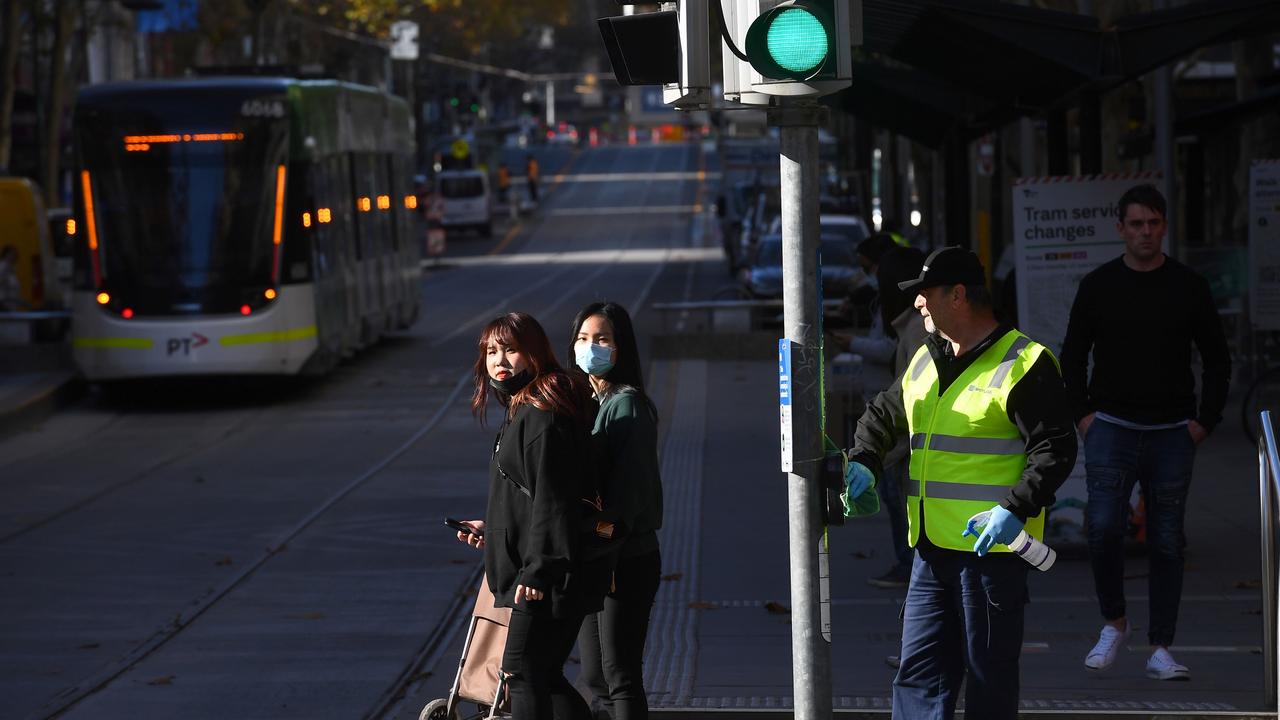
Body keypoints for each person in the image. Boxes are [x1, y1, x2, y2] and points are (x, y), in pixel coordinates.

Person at [842, 247, 1077, 719]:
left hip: (989, 557)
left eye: (925, 295)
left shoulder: (1026, 364)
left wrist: (1013, 509)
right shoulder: (928, 358)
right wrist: (863, 459)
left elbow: (1054, 449)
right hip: (930, 552)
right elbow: (886, 414)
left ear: (958, 295)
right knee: (918, 677)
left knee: (988, 683)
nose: (918, 305)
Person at [1061, 184, 1230, 681]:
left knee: (1166, 540)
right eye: (1136, 224)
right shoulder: (1098, 285)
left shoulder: (1188, 286)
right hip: (1110, 425)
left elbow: (1217, 358)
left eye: (1153, 223)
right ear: (1121, 229)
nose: (1145, 232)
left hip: (1173, 430)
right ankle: (1114, 622)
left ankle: (1161, 646)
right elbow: (1072, 355)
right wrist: (1084, 416)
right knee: (1102, 528)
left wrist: (1206, 420)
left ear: (1164, 227)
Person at [456, 312, 602, 720]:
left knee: (521, 674)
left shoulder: (541, 415)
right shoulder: (526, 409)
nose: (499, 360)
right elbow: (527, 495)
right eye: (491, 352)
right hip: (543, 568)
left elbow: (555, 500)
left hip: (547, 575)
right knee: (542, 675)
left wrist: (540, 570)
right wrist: (495, 529)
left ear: (534, 354)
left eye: (510, 350)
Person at [568, 301, 663, 720]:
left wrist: (597, 537)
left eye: (602, 339)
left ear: (620, 347)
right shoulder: (589, 402)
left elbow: (629, 498)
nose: (591, 347)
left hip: (624, 560)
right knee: (596, 677)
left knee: (618, 676)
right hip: (599, 558)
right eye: (584, 338)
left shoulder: (626, 405)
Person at [856, 246, 928, 589]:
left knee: (901, 505)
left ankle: (910, 566)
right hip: (899, 442)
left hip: (904, 444)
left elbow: (908, 393)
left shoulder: (916, 330)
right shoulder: (911, 327)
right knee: (897, 502)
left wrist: (881, 445)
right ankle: (910, 566)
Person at [0, 245, 22, 311]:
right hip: (4, 307)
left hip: (10, 307)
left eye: (15, 254)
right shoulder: (3, 268)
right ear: (6, 255)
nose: (14, 256)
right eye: (12, 254)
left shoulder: (11, 269)